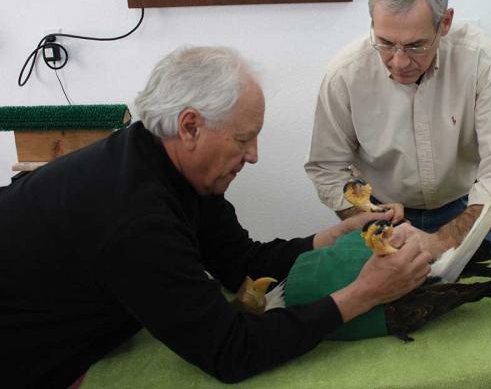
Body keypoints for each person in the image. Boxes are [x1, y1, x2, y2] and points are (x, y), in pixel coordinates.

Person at [0, 46, 432, 387]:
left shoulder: (166, 164)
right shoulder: (135, 216)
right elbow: (231, 352)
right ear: (190, 127)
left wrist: (335, 234)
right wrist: (365, 294)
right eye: (243, 139)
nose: (254, 156)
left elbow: (241, 263)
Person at [305, 0, 491, 258]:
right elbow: (327, 167)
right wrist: (368, 215)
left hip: (464, 208)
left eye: (415, 46)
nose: (398, 61)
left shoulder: (480, 60)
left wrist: (440, 242)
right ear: (373, 22)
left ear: (445, 23)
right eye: (385, 42)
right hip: (385, 214)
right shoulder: (345, 74)